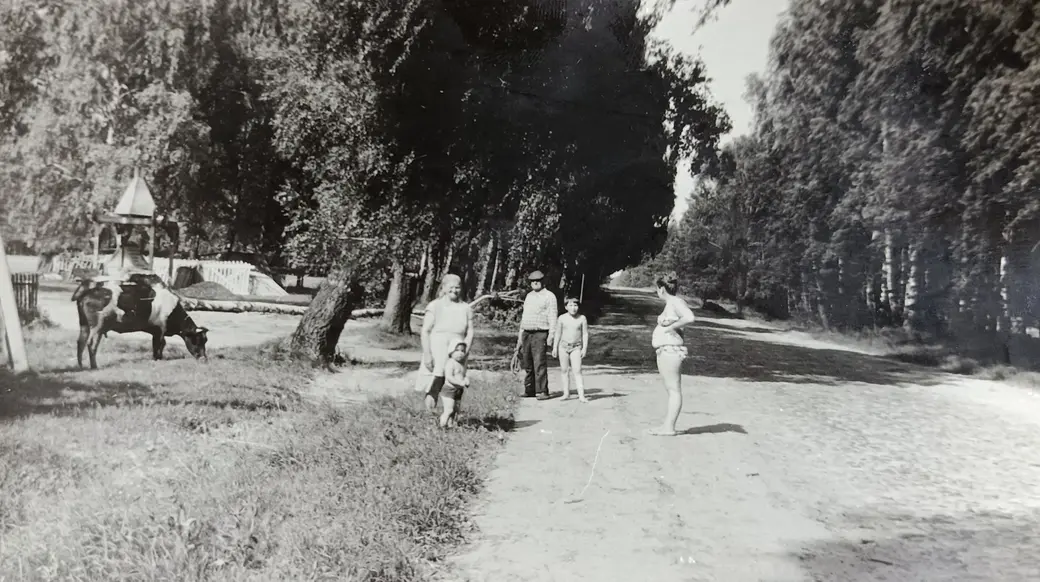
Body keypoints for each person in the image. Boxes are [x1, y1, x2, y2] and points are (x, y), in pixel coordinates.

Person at [649, 272, 696, 436]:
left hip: (671, 351)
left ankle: (669, 428)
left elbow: (690, 317)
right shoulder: (671, 303)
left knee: (674, 390)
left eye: (657, 288)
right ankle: (667, 426)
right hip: (666, 350)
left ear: (661, 288)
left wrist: (669, 328)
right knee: (671, 390)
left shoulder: (676, 302)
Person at [421, 273, 474, 411]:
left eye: (457, 287)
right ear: (443, 288)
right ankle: (430, 415)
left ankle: (451, 418)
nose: (454, 291)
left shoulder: (465, 308)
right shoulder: (435, 306)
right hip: (438, 347)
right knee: (436, 380)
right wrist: (427, 354)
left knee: (457, 381)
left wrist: (466, 350)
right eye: (450, 287)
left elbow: (470, 331)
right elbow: (425, 331)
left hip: (459, 348)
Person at [516, 270, 558, 400]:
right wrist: (520, 335)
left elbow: (553, 316)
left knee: (539, 362)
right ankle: (530, 390)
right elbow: (524, 316)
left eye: (537, 281)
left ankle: (542, 391)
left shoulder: (549, 296)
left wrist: (551, 335)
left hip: (540, 333)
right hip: (527, 332)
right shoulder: (529, 296)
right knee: (527, 362)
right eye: (532, 281)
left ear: (543, 282)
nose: (535, 283)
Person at [552, 297, 589, 402]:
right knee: (564, 370)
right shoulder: (562, 318)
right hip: (563, 347)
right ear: (566, 307)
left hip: (576, 347)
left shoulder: (582, 318)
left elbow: (585, 334)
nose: (573, 308)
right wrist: (555, 347)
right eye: (571, 305)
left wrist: (584, 348)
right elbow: (558, 333)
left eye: (576, 305)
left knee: (577, 371)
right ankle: (566, 393)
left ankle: (581, 395)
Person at [440, 342, 470, 428]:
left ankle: (451, 425)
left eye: (462, 351)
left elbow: (463, 375)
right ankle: (442, 425)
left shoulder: (462, 364)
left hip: (458, 391)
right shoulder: (450, 363)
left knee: (456, 410)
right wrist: (460, 383)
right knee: (449, 410)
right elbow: (449, 377)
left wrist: (466, 380)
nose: (460, 353)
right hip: (449, 390)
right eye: (457, 350)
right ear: (451, 352)